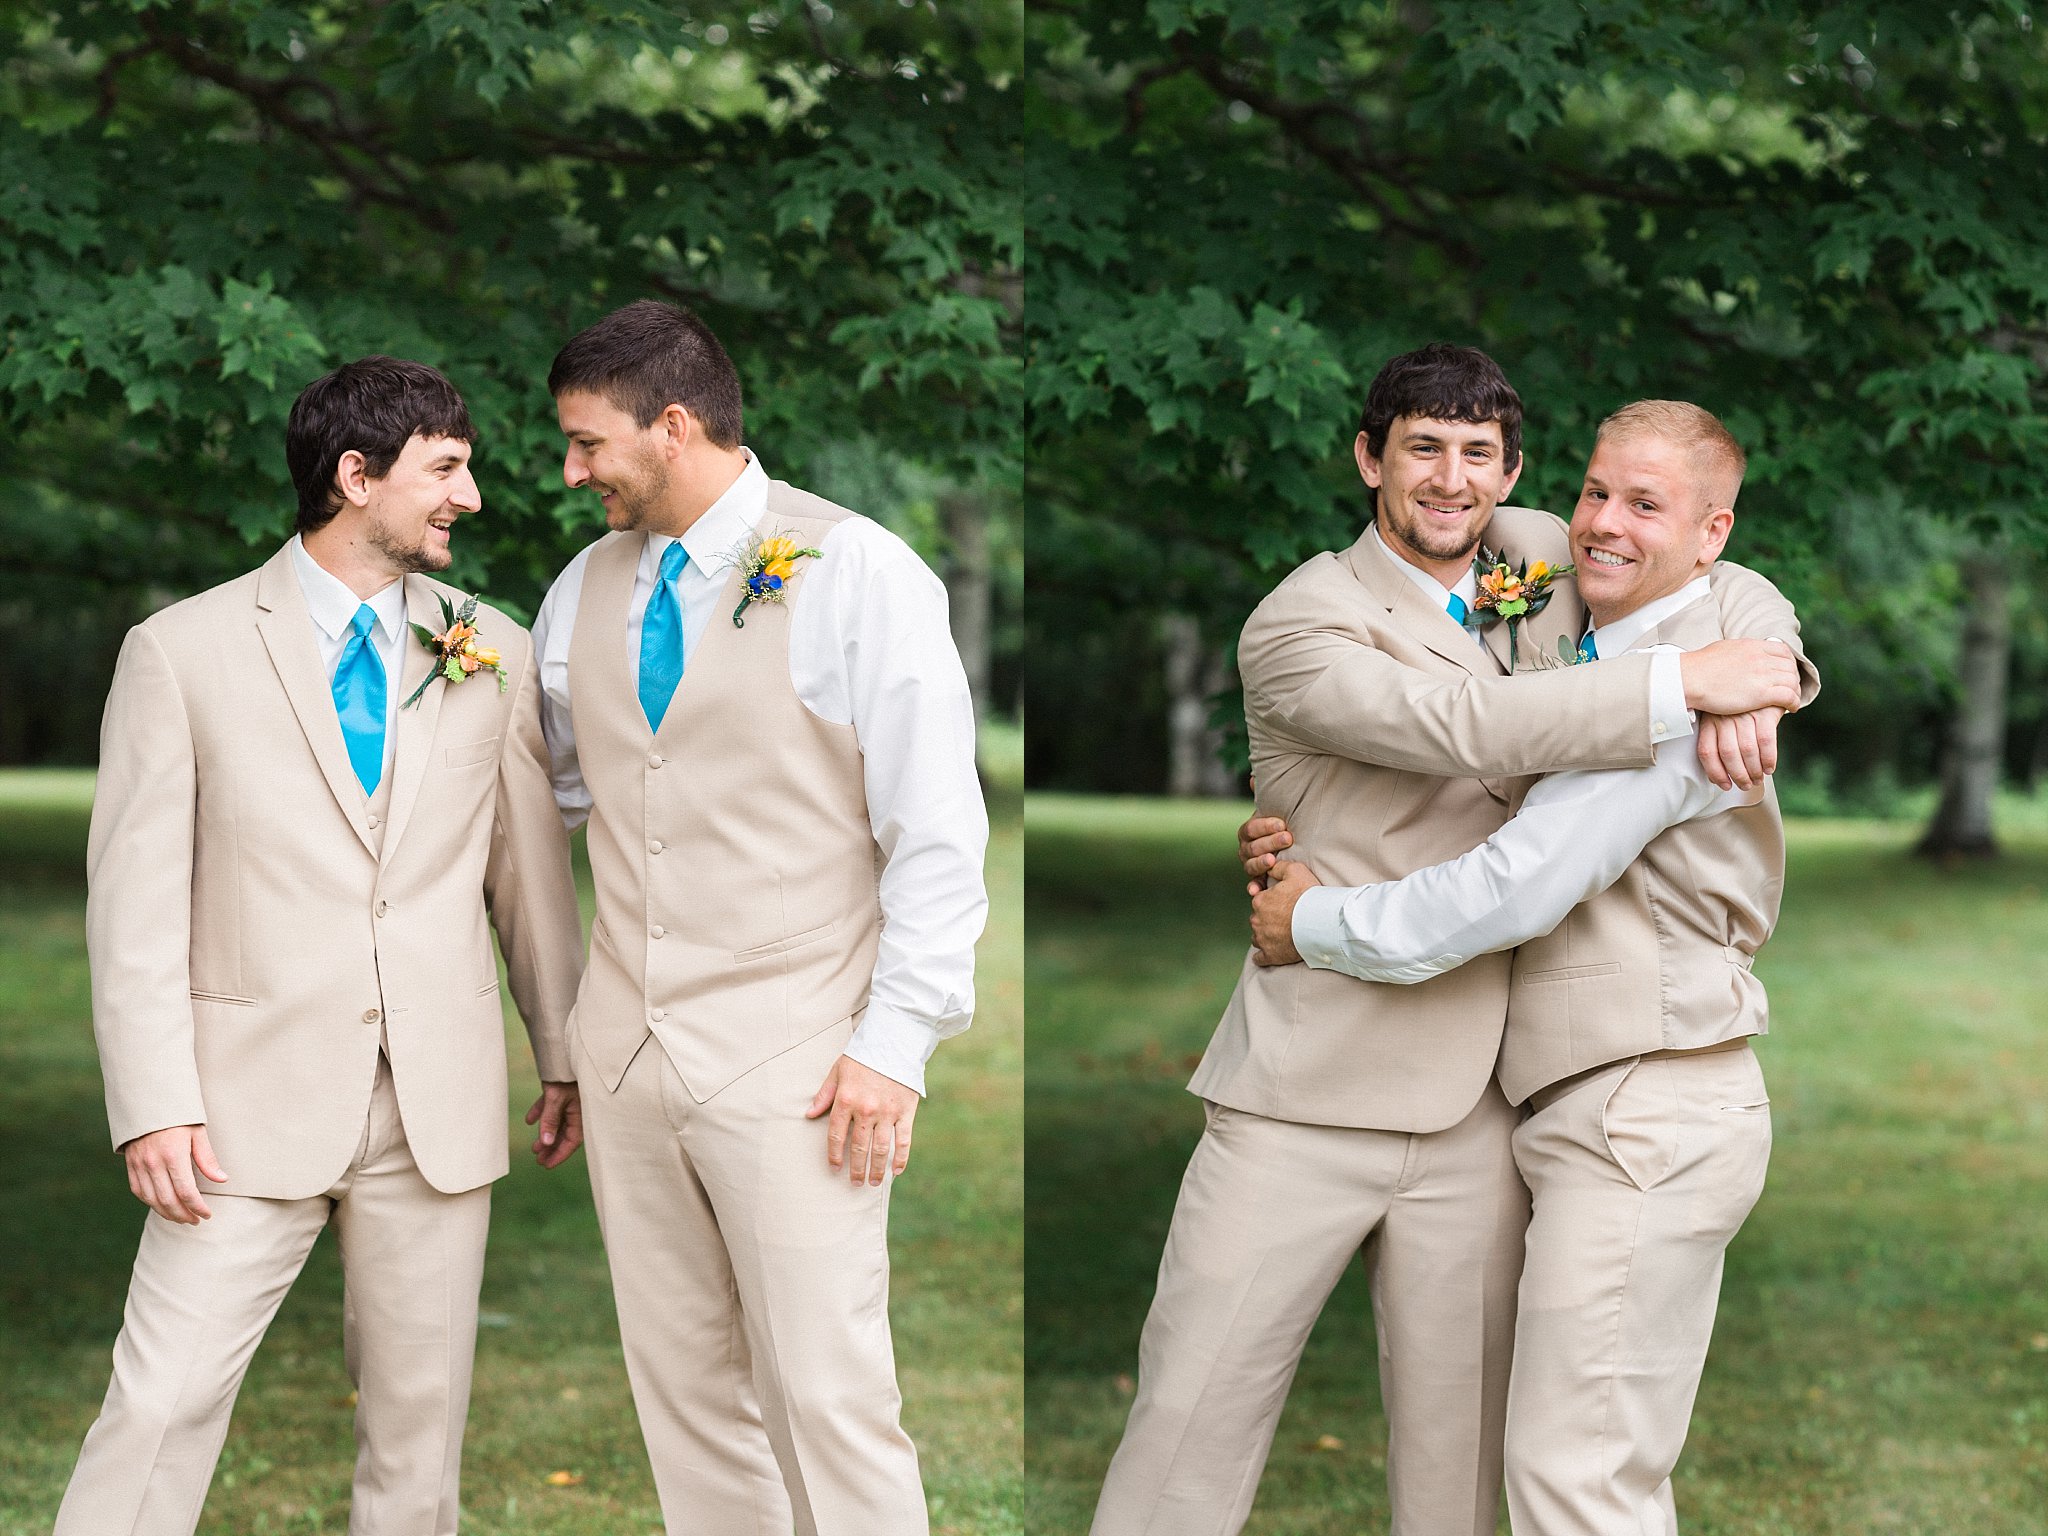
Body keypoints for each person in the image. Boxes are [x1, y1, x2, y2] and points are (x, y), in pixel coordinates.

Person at [1090, 344, 1812, 1536]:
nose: (1447, 478)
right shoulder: (1300, 619)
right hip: (1304, 1084)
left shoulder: (1539, 552)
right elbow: (1462, 722)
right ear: (1368, 458)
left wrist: (1766, 671)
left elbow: (1716, 574)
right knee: (1188, 1428)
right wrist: (1686, 689)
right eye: (1420, 447)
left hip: (1489, 1102)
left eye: (1477, 454)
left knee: (1463, 1474)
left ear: (1510, 471)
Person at [57, 356, 585, 1534]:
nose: (473, 497)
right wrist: (152, 1102)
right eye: (446, 469)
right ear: (356, 476)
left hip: (433, 1109)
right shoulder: (179, 653)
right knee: (156, 1406)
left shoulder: (483, 647)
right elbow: (132, 901)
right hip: (235, 1113)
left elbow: (529, 880)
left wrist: (561, 1052)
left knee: (417, 1439)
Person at [529, 299, 988, 1534]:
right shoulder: (578, 592)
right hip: (630, 1056)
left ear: (670, 426)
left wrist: (892, 1050)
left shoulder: (861, 572)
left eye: (587, 444)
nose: (571, 471)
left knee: (829, 1396)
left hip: (801, 1062)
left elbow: (936, 836)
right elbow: (568, 797)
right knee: (681, 1395)